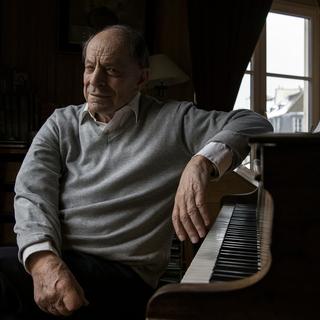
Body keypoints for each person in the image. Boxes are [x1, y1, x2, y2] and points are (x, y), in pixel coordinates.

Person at [0, 24, 273, 319]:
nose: (95, 81)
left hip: (123, 276)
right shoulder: (60, 123)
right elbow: (31, 194)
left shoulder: (174, 119)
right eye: (89, 67)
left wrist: (201, 163)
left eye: (112, 71)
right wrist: (42, 261)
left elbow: (254, 122)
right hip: (58, 259)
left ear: (141, 78)